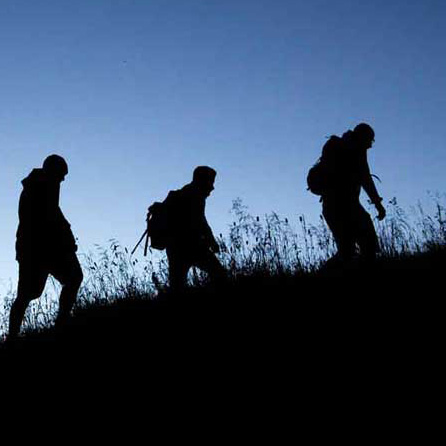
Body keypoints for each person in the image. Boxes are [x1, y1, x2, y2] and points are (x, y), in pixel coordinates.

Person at [8, 155, 83, 340]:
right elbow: (46, 219)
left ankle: (62, 322)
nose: (63, 180)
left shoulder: (45, 186)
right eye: (61, 175)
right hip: (36, 250)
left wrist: (66, 235)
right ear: (52, 171)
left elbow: (55, 214)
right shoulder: (37, 188)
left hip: (48, 248)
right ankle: (12, 337)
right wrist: (65, 237)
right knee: (27, 294)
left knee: (73, 277)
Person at [320, 123, 386, 263]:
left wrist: (377, 204)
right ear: (362, 138)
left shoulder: (340, 147)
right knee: (354, 250)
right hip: (340, 206)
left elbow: (365, 179)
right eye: (370, 140)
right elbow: (366, 179)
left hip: (338, 206)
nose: (370, 145)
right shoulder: (354, 152)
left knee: (351, 250)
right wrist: (378, 205)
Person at [163, 166, 225, 291]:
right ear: (202, 180)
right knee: (220, 274)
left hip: (175, 247)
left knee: (177, 287)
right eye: (211, 182)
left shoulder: (185, 193)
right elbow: (200, 222)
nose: (212, 187)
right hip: (191, 246)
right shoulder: (195, 196)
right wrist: (212, 242)